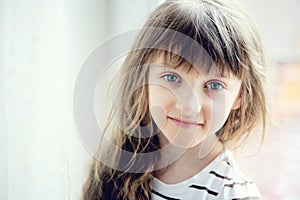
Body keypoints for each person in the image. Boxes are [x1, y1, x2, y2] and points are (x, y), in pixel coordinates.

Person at [83, 0, 268, 199]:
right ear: (143, 78)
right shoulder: (117, 164)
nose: (190, 106)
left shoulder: (235, 194)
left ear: (240, 95)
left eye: (214, 85)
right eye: (172, 78)